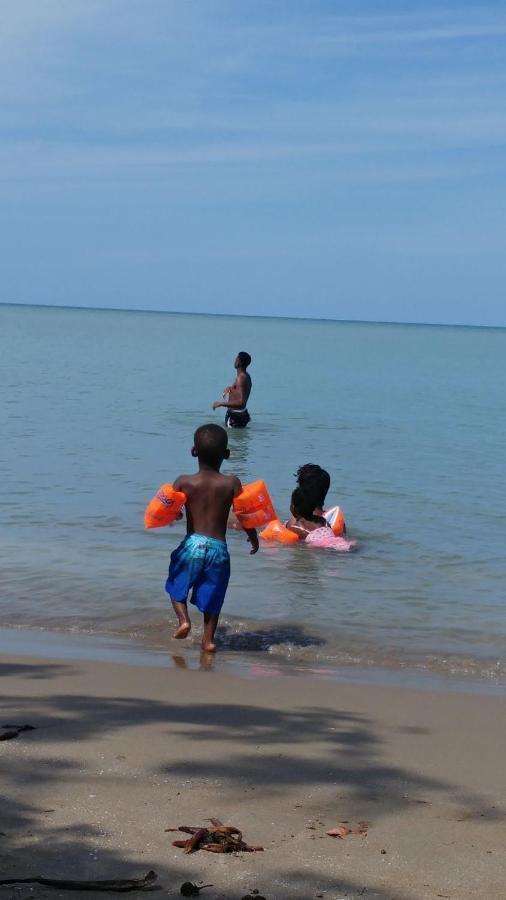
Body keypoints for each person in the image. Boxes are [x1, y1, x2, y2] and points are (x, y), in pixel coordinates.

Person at [165, 424, 259, 652]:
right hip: (219, 548)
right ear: (226, 454)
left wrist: (174, 515)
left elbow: (171, 510)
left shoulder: (184, 482)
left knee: (176, 585)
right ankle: (208, 641)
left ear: (193, 451)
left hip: (192, 544)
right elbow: (244, 514)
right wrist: (253, 537)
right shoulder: (232, 483)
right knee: (213, 596)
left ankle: (184, 620)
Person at [212, 351, 252, 428]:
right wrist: (230, 388)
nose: (235, 360)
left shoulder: (241, 378)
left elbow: (241, 402)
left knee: (229, 439)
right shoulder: (246, 376)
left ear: (239, 362)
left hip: (235, 417)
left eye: (236, 358)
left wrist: (220, 404)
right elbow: (241, 390)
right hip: (241, 414)